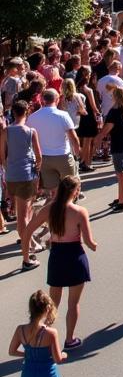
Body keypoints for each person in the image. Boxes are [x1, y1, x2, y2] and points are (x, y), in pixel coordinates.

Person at [23, 175, 96, 350]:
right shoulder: (79, 212)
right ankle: (69, 339)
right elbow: (89, 242)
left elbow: (28, 231)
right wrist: (95, 245)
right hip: (75, 257)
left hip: (57, 257)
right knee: (73, 303)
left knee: (52, 303)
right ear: (76, 191)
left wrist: (25, 254)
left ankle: (43, 337)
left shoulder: (49, 209)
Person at [8, 290, 65, 377]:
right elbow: (58, 359)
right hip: (46, 376)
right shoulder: (51, 333)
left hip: (27, 375)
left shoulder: (20, 330)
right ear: (47, 309)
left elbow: (12, 351)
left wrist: (27, 354)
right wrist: (64, 354)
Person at [2, 100, 42, 267]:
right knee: (23, 217)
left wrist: (7, 168)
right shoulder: (31, 131)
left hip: (12, 175)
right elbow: (39, 156)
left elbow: (2, 154)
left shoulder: (6, 131)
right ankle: (29, 248)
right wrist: (37, 172)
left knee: (23, 212)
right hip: (26, 175)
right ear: (26, 112)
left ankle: (31, 242)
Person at [26, 91, 79, 200]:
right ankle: (70, 212)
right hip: (63, 156)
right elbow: (73, 137)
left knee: (53, 193)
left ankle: (56, 214)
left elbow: (28, 139)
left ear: (42, 100)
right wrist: (77, 153)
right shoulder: (63, 115)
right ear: (57, 99)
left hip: (44, 158)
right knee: (70, 189)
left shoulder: (32, 117)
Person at [94, 87, 123, 212]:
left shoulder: (114, 112)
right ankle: (120, 198)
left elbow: (106, 129)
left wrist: (98, 139)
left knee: (121, 173)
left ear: (116, 97)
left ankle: (122, 202)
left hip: (119, 145)